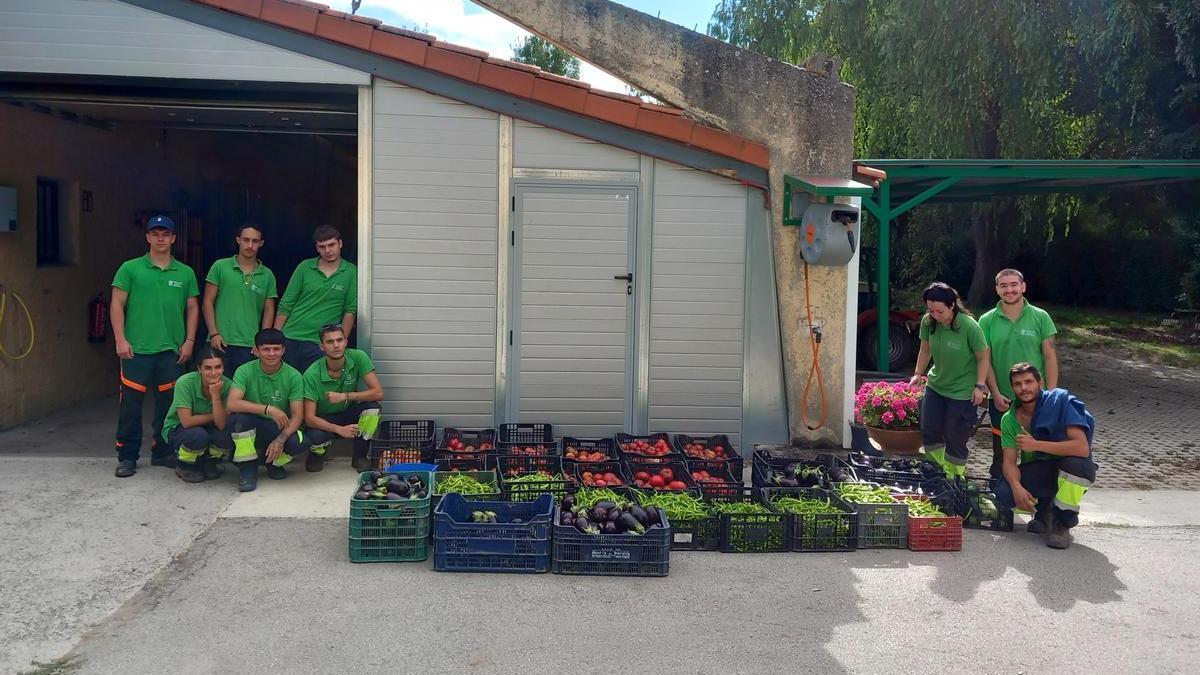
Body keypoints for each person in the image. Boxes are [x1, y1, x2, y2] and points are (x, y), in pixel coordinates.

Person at [110, 214, 200, 478]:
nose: (160, 238)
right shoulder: (130, 268)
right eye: (155, 233)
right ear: (148, 237)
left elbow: (193, 307)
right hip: (135, 351)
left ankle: (162, 451)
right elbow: (116, 304)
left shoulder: (185, 272)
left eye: (166, 234)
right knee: (130, 406)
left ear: (173, 238)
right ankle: (127, 456)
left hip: (171, 352)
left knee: (169, 405)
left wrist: (190, 342)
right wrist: (120, 339)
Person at [993, 362, 1097, 550]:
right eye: (1017, 384)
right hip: (1042, 470)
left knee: (1077, 466)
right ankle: (1044, 510)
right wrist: (1017, 487)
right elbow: (1009, 462)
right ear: (1012, 388)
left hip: (1069, 467)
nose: (1024, 388)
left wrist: (1036, 445)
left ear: (1040, 383)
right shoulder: (1009, 419)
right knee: (1004, 492)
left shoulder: (1060, 403)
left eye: (1028, 381)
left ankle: (1062, 523)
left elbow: (1081, 448)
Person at [979, 268, 1059, 478]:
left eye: (1014, 285)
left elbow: (1050, 357)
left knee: (1038, 454)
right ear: (997, 289)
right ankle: (1001, 503)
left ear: (1023, 287)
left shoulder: (1041, 317)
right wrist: (994, 394)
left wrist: (1051, 395)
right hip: (1002, 400)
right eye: (1003, 286)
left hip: (1037, 400)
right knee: (1002, 454)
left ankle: (1039, 504)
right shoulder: (986, 320)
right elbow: (984, 361)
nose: (1009, 290)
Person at [910, 282, 991, 479]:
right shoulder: (928, 323)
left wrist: (980, 386)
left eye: (939, 311)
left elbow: (983, 358)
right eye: (931, 310)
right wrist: (918, 374)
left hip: (962, 391)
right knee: (929, 430)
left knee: (955, 436)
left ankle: (955, 477)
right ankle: (936, 471)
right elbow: (925, 349)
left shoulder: (969, 326)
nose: (935, 315)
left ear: (952, 306)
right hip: (936, 385)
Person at [225, 329, 310, 492]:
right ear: (256, 350)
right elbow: (232, 404)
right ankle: (247, 469)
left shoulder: (294, 376)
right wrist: (269, 409)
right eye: (266, 349)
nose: (271, 354)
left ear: (283, 350)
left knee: (301, 441)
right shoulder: (244, 370)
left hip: (278, 427)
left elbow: (298, 415)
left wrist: (281, 439)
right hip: (251, 425)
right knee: (239, 419)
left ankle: (273, 464)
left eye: (276, 349)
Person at [274, 225, 357, 373]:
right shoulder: (305, 267)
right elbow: (286, 303)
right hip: (290, 337)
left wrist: (339, 342)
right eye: (322, 246)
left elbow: (349, 311)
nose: (328, 250)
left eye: (331, 245)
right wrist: (275, 338)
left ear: (340, 244)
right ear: (317, 248)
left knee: (314, 391)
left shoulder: (351, 272)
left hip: (320, 342)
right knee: (287, 389)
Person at [302, 324, 384, 472]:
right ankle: (317, 454)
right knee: (316, 435)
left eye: (339, 340)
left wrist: (345, 396)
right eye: (330, 342)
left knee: (372, 409)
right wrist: (339, 429)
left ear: (346, 342)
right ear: (322, 347)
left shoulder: (358, 356)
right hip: (324, 418)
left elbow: (378, 393)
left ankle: (360, 456)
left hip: (347, 411)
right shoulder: (312, 374)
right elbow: (309, 418)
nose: (336, 345)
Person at [203, 223, 278, 375]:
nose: (250, 245)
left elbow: (269, 309)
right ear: (238, 240)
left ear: (261, 243)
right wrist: (214, 334)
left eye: (255, 241)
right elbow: (207, 302)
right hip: (220, 341)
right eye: (246, 240)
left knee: (244, 391)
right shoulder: (220, 266)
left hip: (250, 345)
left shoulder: (267, 274)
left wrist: (261, 342)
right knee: (215, 389)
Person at [161, 346, 233, 483]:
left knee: (226, 434)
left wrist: (216, 395)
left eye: (218, 367)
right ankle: (185, 465)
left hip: (210, 427)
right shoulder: (185, 382)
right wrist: (216, 415)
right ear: (199, 369)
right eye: (208, 368)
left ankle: (209, 463)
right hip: (179, 428)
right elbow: (187, 421)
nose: (213, 372)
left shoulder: (228, 385)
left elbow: (222, 424)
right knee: (197, 435)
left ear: (223, 368)